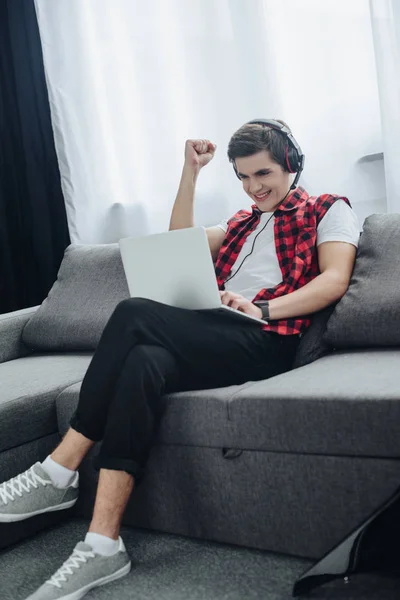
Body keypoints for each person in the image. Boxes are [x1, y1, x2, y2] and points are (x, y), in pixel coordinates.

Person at [0, 119, 360, 600]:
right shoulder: (240, 222)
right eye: (244, 177)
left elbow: (334, 280)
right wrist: (190, 172)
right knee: (142, 361)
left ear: (292, 164)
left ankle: (59, 469)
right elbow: (177, 241)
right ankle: (103, 544)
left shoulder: (328, 209)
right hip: (216, 332)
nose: (255, 187)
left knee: (132, 314)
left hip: (266, 337)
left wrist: (263, 307)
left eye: (265, 174)